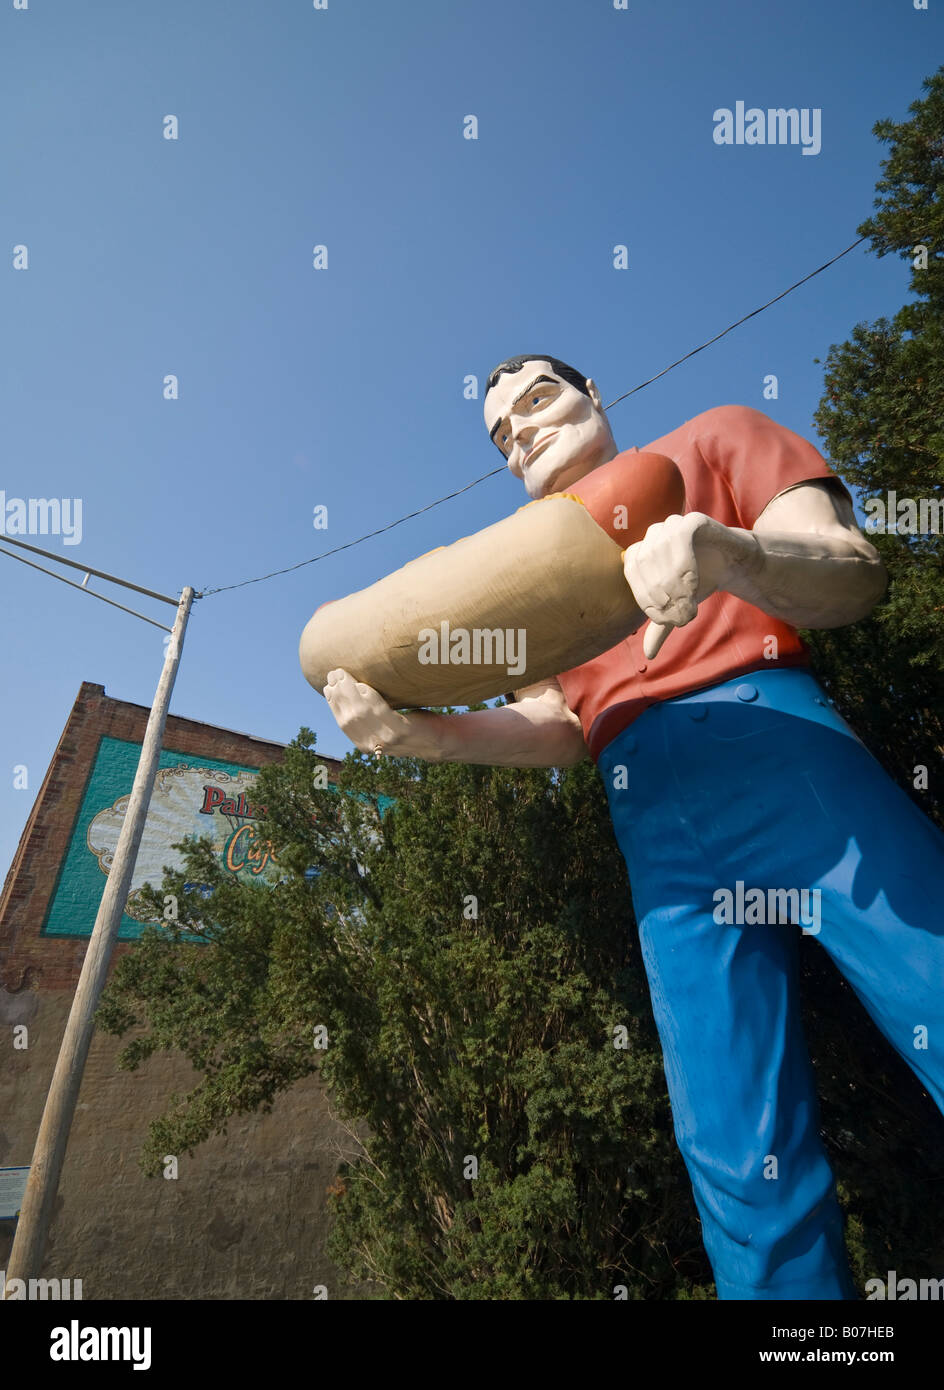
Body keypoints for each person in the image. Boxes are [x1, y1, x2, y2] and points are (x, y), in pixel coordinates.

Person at [323, 355, 944, 1300]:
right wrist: (425, 737)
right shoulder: (531, 576)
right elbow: (562, 727)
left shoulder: (718, 438)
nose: (523, 430)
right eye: (503, 433)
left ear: (594, 397)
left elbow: (854, 574)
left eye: (538, 400)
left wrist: (731, 554)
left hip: (783, 751)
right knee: (736, 1145)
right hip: (654, 830)